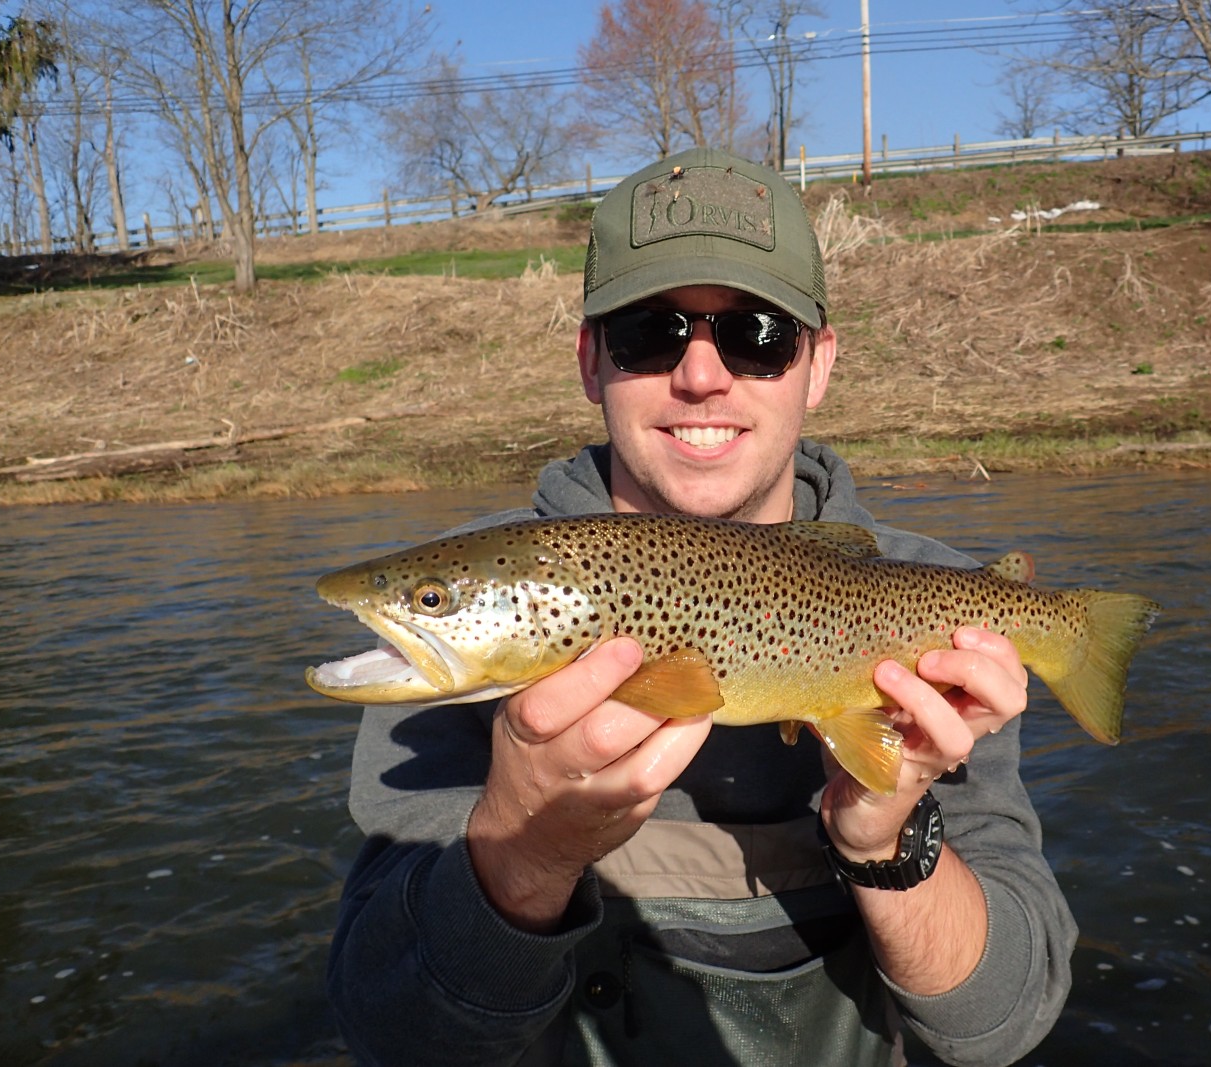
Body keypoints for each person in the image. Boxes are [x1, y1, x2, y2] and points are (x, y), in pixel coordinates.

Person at [325, 146, 1077, 1066]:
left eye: (758, 333)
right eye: (651, 331)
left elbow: (999, 1027)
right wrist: (523, 848)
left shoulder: (947, 617)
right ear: (591, 359)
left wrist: (884, 835)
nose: (702, 375)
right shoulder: (457, 662)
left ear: (819, 363)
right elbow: (394, 1033)